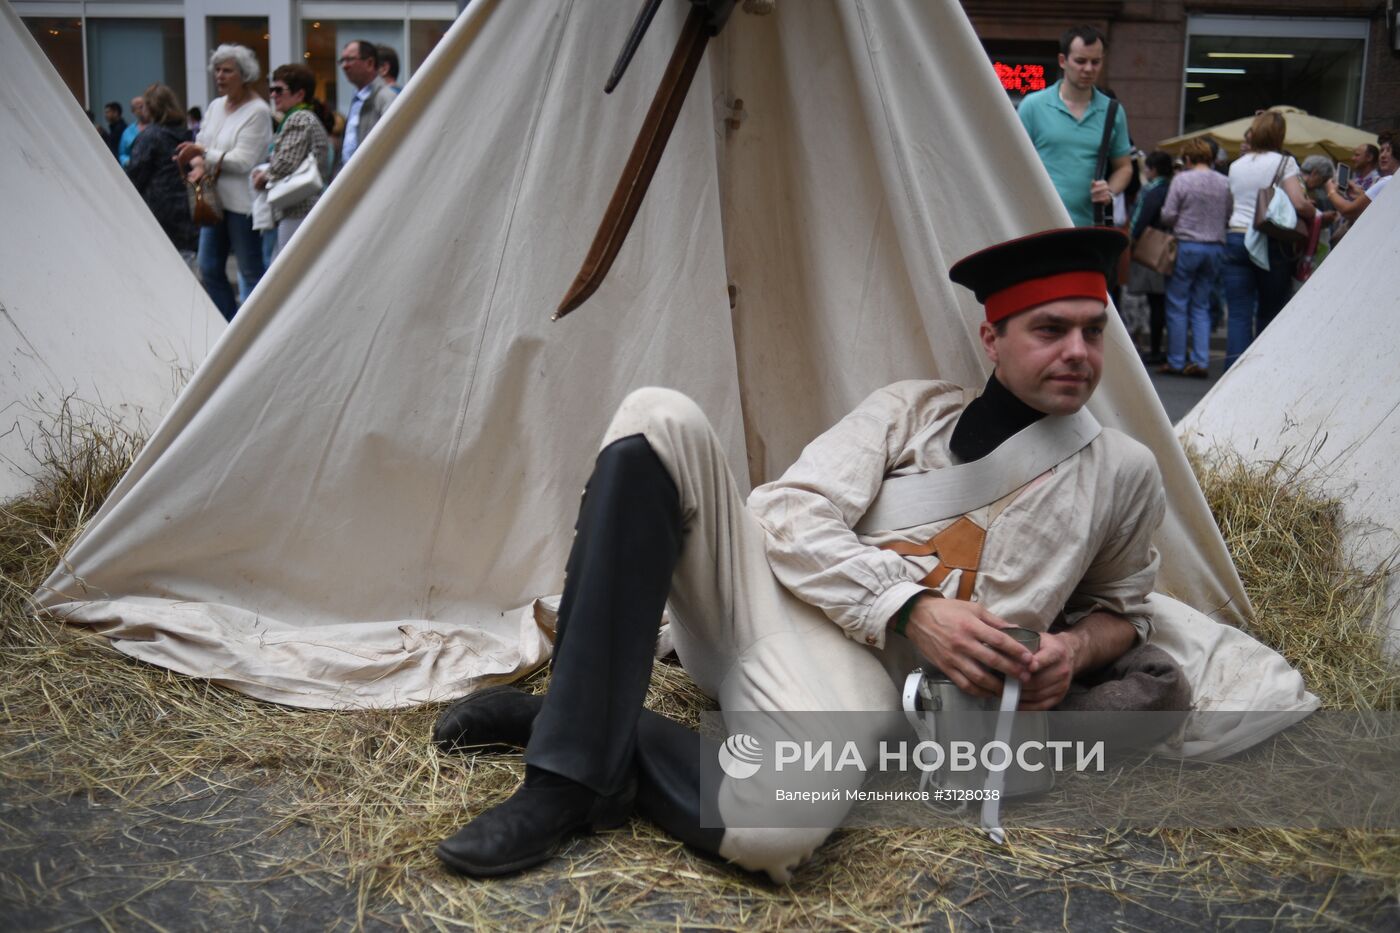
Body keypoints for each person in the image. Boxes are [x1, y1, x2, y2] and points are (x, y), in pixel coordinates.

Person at [430, 227, 1186, 883]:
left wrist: (1074, 647)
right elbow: (785, 511)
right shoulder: (909, 410)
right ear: (992, 340)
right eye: (1050, 329)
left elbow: (1124, 609)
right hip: (761, 607)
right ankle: (562, 780)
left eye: (1094, 331)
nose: (1078, 352)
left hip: (864, 682)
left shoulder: (1123, 471)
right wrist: (913, 607)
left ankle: (565, 718)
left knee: (772, 832)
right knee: (657, 416)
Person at [174, 44, 273, 322]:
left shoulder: (258, 111)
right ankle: (229, 325)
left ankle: (257, 330)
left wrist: (202, 154)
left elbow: (244, 160)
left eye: (227, 70)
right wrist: (194, 165)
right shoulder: (216, 106)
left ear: (244, 74)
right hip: (212, 201)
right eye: (217, 70)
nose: (219, 75)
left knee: (250, 271)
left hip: (242, 204)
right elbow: (202, 141)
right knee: (208, 267)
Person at [1221, 111, 1315, 369]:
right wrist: (1312, 210)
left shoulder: (1236, 165)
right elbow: (1298, 203)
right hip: (1270, 240)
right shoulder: (1285, 164)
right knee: (1269, 312)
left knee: (1238, 314)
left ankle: (1232, 377)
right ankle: (1260, 372)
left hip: (1236, 238)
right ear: (1279, 135)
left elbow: (1233, 203)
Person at [1016, 25, 1133, 229]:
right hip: (1038, 226)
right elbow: (1012, 163)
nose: (1088, 69)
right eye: (1080, 61)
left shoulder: (1113, 111)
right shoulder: (1033, 106)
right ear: (1063, 61)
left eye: (1095, 62)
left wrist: (1109, 191)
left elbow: (1124, 167)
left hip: (1089, 228)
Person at [1158, 139, 1231, 378]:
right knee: (1201, 305)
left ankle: (1177, 361)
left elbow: (1168, 215)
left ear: (1188, 159)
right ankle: (1200, 361)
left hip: (1188, 245)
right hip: (1215, 248)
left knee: (1178, 304)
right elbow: (1229, 213)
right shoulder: (1224, 182)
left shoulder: (1182, 180)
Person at [252, 64, 331, 259]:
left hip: (299, 206)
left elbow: (287, 162)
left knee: (285, 269)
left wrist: (264, 175)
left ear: (299, 94)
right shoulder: (301, 117)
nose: (273, 95)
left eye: (279, 90)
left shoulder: (299, 118)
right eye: (271, 90)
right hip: (300, 206)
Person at [125, 83, 197, 265]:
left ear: (151, 107)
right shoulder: (186, 134)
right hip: (188, 208)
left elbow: (135, 176)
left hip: (159, 211)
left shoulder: (149, 137)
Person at [1128, 150, 1174, 364]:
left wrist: (1133, 237)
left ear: (1153, 169)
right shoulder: (1172, 187)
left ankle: (1155, 349)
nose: (1145, 171)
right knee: (1161, 301)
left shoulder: (1153, 191)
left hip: (1154, 246)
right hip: (1170, 245)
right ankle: (1163, 348)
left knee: (1156, 300)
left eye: (1147, 167)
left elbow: (1142, 218)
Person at [338, 40, 397, 164]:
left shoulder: (385, 97)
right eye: (342, 61)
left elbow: (392, 139)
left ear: (370, 63)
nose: (345, 65)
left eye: (350, 59)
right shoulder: (358, 97)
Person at [1326, 132, 1395, 224]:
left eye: (1357, 155)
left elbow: (1349, 211)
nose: (1353, 158)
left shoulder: (1383, 181)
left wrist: (1331, 191)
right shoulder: (1357, 182)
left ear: (1369, 157)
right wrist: (1359, 195)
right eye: (1381, 151)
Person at [118, 95, 147, 168]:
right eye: (140, 107)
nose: (144, 109)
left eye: (145, 106)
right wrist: (127, 161)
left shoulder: (158, 127)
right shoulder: (128, 132)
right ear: (133, 111)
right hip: (135, 170)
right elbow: (122, 154)